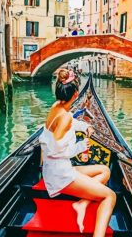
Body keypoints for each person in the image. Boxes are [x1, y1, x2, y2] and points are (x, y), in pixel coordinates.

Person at [39, 69, 116, 237]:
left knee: (105, 170)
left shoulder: (56, 107)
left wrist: (84, 126)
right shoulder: (65, 117)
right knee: (110, 196)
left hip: (55, 169)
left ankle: (82, 203)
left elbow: (68, 122)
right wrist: (80, 146)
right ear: (76, 94)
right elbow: (54, 151)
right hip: (60, 175)